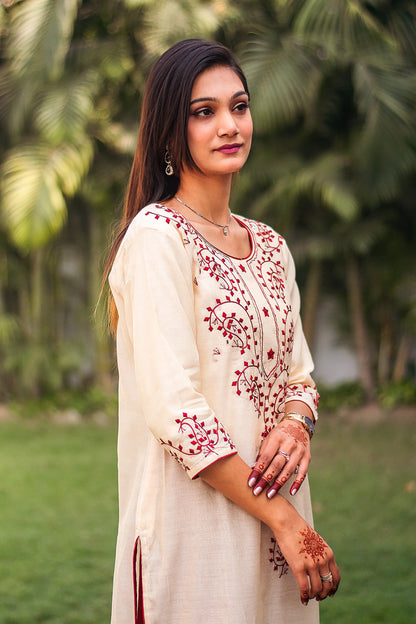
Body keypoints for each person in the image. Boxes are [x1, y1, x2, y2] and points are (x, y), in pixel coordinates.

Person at [105, 38, 340, 624]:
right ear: (169, 131)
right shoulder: (157, 238)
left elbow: (301, 377)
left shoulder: (270, 247)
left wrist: (297, 422)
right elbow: (174, 408)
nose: (229, 125)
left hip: (275, 525)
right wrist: (285, 520)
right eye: (203, 112)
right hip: (197, 528)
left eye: (239, 106)